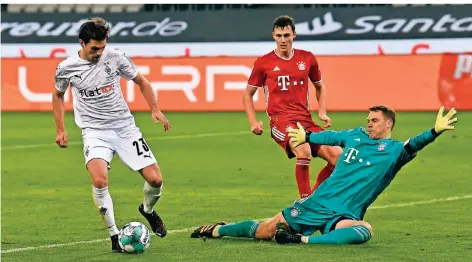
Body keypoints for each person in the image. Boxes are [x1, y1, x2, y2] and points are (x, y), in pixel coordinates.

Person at [190, 105, 458, 245]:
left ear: (388, 123)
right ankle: (218, 229)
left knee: (363, 230)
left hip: (345, 215)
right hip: (319, 202)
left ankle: (304, 240)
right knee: (265, 230)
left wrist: (433, 132)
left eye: (374, 120)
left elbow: (414, 143)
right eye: (368, 118)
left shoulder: (393, 151)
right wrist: (307, 135)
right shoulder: (355, 135)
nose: (369, 123)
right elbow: (332, 136)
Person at [52, 17, 171, 252]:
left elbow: (141, 81)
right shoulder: (66, 68)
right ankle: (115, 236)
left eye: (103, 47)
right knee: (99, 179)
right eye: (95, 48)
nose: (100, 52)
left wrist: (155, 108)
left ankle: (146, 210)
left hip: (125, 128)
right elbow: (58, 95)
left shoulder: (115, 57)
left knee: (156, 180)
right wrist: (60, 129)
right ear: (82, 44)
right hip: (94, 131)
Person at [243, 15, 342, 198]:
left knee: (339, 157)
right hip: (281, 121)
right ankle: (304, 203)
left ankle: (314, 198)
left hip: (305, 121)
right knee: (303, 149)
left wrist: (322, 111)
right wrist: (253, 122)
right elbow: (247, 94)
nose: (282, 40)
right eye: (279, 35)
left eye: (286, 35)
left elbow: (319, 86)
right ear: (273, 35)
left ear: (294, 35)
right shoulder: (263, 63)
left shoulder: (307, 58)